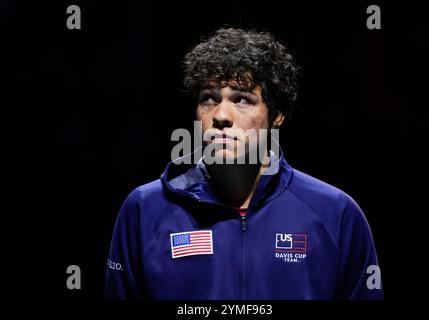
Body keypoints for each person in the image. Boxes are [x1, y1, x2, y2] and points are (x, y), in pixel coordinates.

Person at [105, 28, 383, 299]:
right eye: (209, 98)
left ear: (277, 115)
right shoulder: (145, 209)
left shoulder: (335, 213)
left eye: (242, 99)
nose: (221, 115)